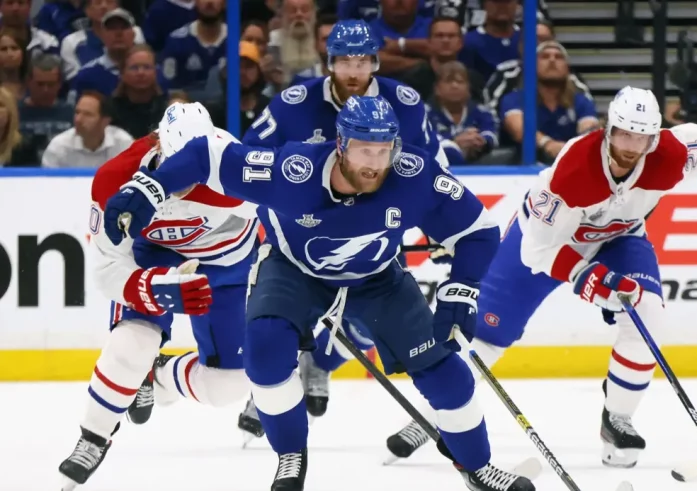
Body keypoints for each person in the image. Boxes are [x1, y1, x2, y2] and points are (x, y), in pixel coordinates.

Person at [99, 95, 534, 491]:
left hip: (378, 277)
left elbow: (478, 231)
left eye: (384, 151)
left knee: (445, 373)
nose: (375, 164)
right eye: (365, 150)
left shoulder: (414, 174)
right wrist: (150, 186)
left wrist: (461, 289)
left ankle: (477, 468)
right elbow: (203, 154)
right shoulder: (293, 170)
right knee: (265, 356)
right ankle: (291, 455)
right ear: (341, 144)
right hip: (294, 272)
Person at [383, 87, 697, 469]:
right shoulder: (575, 168)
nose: (631, 146)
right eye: (624, 133)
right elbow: (538, 250)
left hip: (619, 238)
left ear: (656, 135)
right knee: (486, 335)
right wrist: (586, 277)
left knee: (648, 312)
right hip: (544, 242)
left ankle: (618, 419)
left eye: (642, 136)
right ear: (609, 128)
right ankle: (431, 417)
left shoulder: (672, 154)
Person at [241, 18, 450, 429]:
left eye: (362, 60)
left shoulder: (404, 104)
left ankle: (319, 362)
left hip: (372, 230)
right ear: (329, 62)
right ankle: (268, 389)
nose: (353, 70)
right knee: (280, 318)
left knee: (373, 329)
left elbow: (433, 170)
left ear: (375, 62)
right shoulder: (295, 102)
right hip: (297, 230)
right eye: (343, 61)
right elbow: (249, 161)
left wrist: (442, 227)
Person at [57, 102, 261, 491]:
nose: (187, 181)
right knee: (133, 343)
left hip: (225, 264)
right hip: (153, 258)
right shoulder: (114, 179)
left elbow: (282, 217)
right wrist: (150, 288)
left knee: (228, 387)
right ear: (158, 145)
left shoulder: (236, 166)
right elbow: (105, 270)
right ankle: (94, 436)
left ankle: (159, 375)